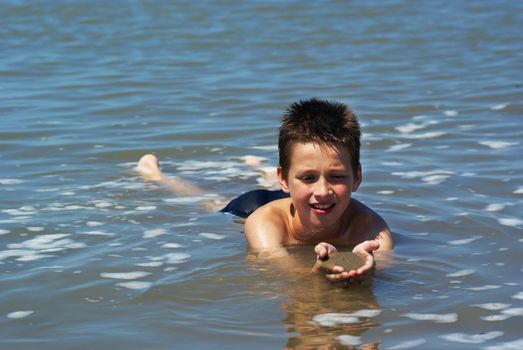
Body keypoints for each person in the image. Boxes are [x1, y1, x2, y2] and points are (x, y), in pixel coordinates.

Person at [137, 98, 393, 284]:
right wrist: (316, 274)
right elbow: (279, 271)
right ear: (286, 179)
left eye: (336, 177)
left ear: (356, 177)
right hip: (254, 206)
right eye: (309, 177)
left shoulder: (370, 229)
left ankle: (273, 172)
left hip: (297, 199)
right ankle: (158, 176)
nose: (323, 190)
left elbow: (384, 267)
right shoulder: (261, 223)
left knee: (305, 184)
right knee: (209, 201)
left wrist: (371, 269)